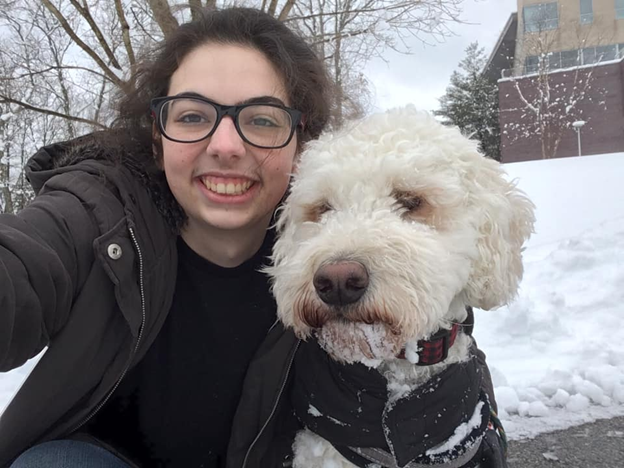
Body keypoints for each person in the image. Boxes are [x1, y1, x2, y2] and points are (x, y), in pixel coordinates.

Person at [0, 7, 503, 468]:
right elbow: (23, 267)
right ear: (156, 139)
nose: (225, 146)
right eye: (192, 116)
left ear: (299, 147)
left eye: (260, 120)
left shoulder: (322, 247)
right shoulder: (95, 213)